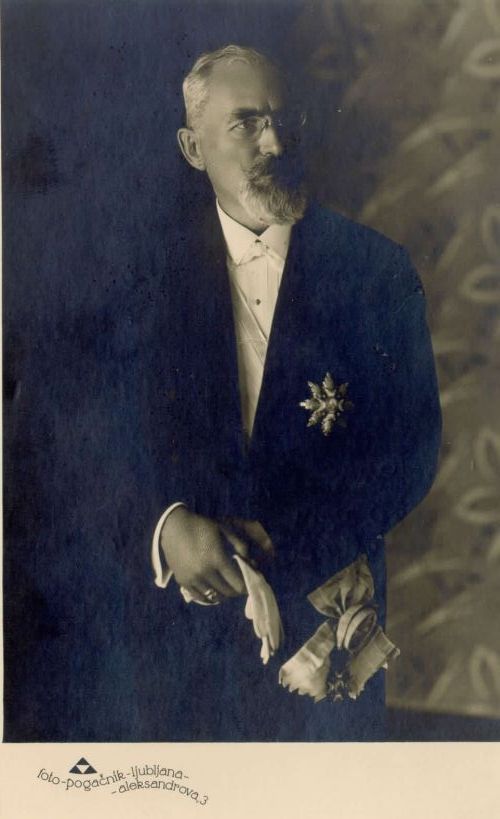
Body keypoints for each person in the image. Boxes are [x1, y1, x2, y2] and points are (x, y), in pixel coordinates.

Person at [135, 44, 442, 741]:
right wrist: (167, 525)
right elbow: (99, 446)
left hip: (325, 625)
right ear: (193, 148)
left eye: (282, 120)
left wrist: (288, 537)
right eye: (246, 122)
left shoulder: (376, 270)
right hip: (175, 647)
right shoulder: (142, 276)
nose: (274, 142)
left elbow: (411, 453)